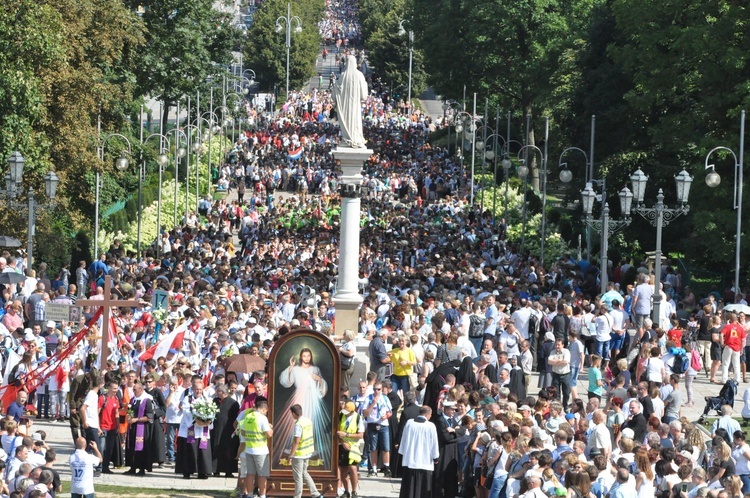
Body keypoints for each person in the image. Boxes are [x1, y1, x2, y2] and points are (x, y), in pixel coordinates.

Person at [277, 348, 330, 469]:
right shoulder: (295, 369)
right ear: (301, 357)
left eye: (308, 356)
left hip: (311, 398)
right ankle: (294, 445)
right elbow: (287, 382)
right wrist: (290, 367)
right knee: (295, 422)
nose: (306, 358)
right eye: (304, 356)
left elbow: (322, 385)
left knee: (310, 420)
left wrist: (319, 379)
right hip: (299, 396)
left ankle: (308, 446)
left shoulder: (315, 369)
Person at [398, 405, 439, 498]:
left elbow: (403, 440)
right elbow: (434, 443)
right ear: (428, 414)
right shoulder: (430, 426)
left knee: (409, 487)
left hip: (410, 460)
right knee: (423, 489)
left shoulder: (409, 423)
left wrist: (404, 453)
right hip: (425, 461)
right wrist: (435, 457)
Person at [287, 404, 324, 498]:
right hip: (307, 452)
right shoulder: (308, 421)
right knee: (304, 473)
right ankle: (316, 494)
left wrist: (291, 455)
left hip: (299, 454)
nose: (292, 415)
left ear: (294, 413)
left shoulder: (298, 424)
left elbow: (296, 441)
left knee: (298, 477)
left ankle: (297, 496)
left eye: (292, 413)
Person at [332, 54, 368, 148]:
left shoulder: (342, 77)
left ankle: (347, 138)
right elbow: (364, 96)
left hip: (345, 109)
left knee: (346, 123)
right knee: (355, 122)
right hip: (355, 107)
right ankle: (355, 139)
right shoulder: (359, 75)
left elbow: (334, 94)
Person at [241, 400, 273, 498]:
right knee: (262, 474)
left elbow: (242, 432)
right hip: (260, 450)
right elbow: (269, 434)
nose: (266, 413)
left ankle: (250, 495)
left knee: (250, 474)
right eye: (266, 411)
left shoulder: (248, 416)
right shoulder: (262, 418)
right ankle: (262, 495)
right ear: (264, 409)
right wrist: (271, 427)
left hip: (249, 449)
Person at [362, 381, 392, 477]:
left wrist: (386, 416)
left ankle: (387, 468)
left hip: (383, 424)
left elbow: (390, 411)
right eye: (374, 389)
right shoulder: (368, 398)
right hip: (372, 424)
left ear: (381, 389)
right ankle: (373, 469)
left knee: (386, 448)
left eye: (378, 389)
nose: (376, 391)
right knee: (373, 448)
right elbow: (365, 413)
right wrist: (373, 403)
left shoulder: (385, 398)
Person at [124, 379, 154, 476]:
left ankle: (141, 468)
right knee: (132, 448)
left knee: (141, 449)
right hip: (132, 428)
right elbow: (130, 412)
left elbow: (149, 417)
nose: (134, 392)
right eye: (133, 390)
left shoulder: (147, 400)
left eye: (135, 390)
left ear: (141, 390)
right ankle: (132, 467)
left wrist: (136, 419)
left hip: (142, 428)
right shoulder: (133, 400)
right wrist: (129, 417)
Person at [337, 401, 365, 498]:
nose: (345, 413)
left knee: (353, 469)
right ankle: (346, 491)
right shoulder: (341, 415)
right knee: (343, 468)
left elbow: (360, 435)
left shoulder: (358, 418)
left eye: (348, 412)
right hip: (343, 445)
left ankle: (354, 491)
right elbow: (336, 432)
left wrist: (347, 435)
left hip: (353, 447)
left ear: (353, 411)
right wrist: (342, 441)